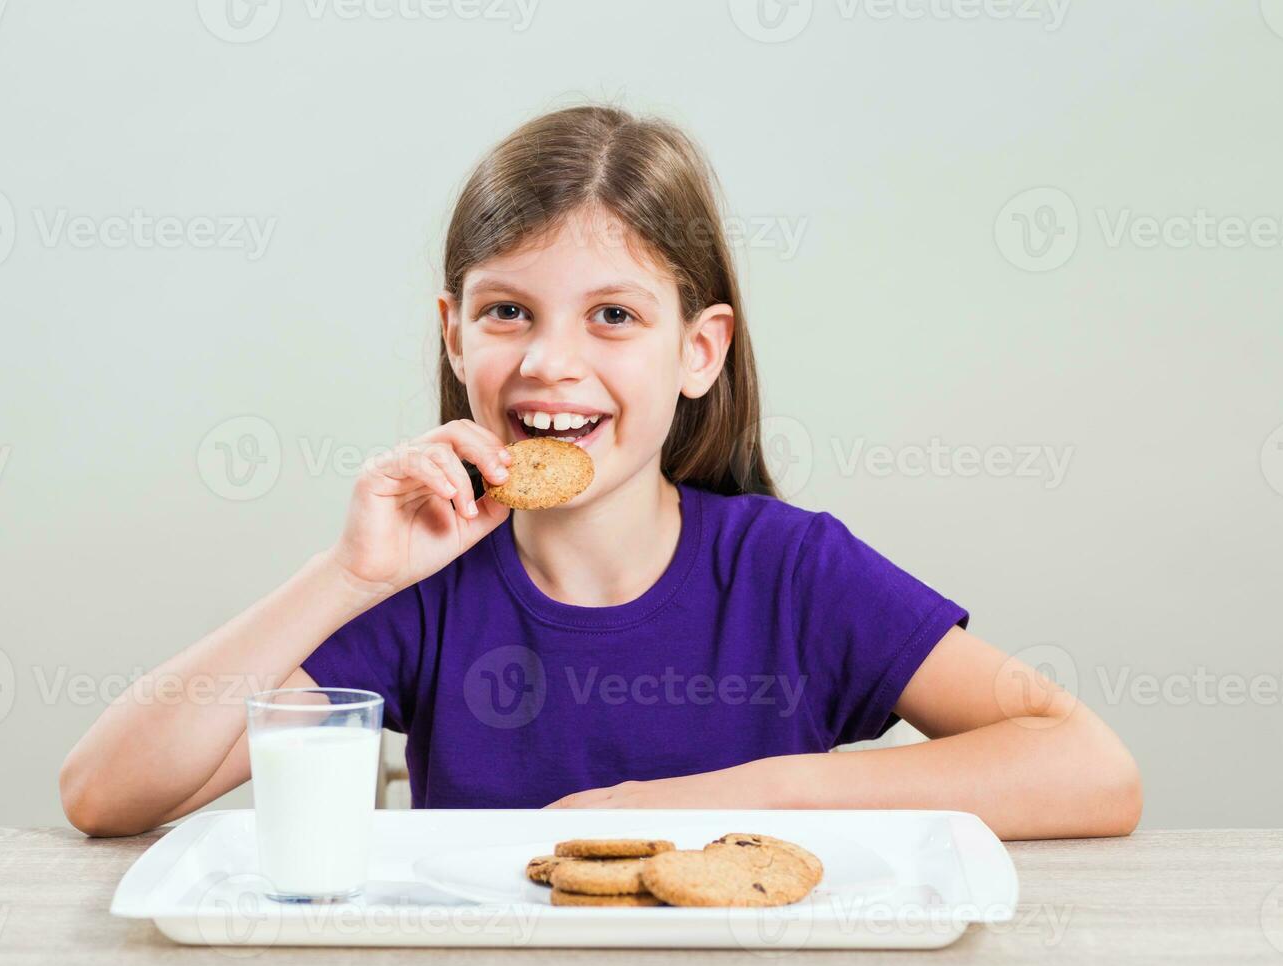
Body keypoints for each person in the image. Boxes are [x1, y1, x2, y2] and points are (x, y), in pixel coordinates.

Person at [60, 105, 1141, 840]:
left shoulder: (789, 572)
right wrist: (347, 573)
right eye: (506, 312)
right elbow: (107, 791)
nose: (548, 363)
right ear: (453, 335)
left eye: (613, 315)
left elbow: (1091, 766)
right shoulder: (426, 590)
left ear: (699, 349)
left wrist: (707, 805)